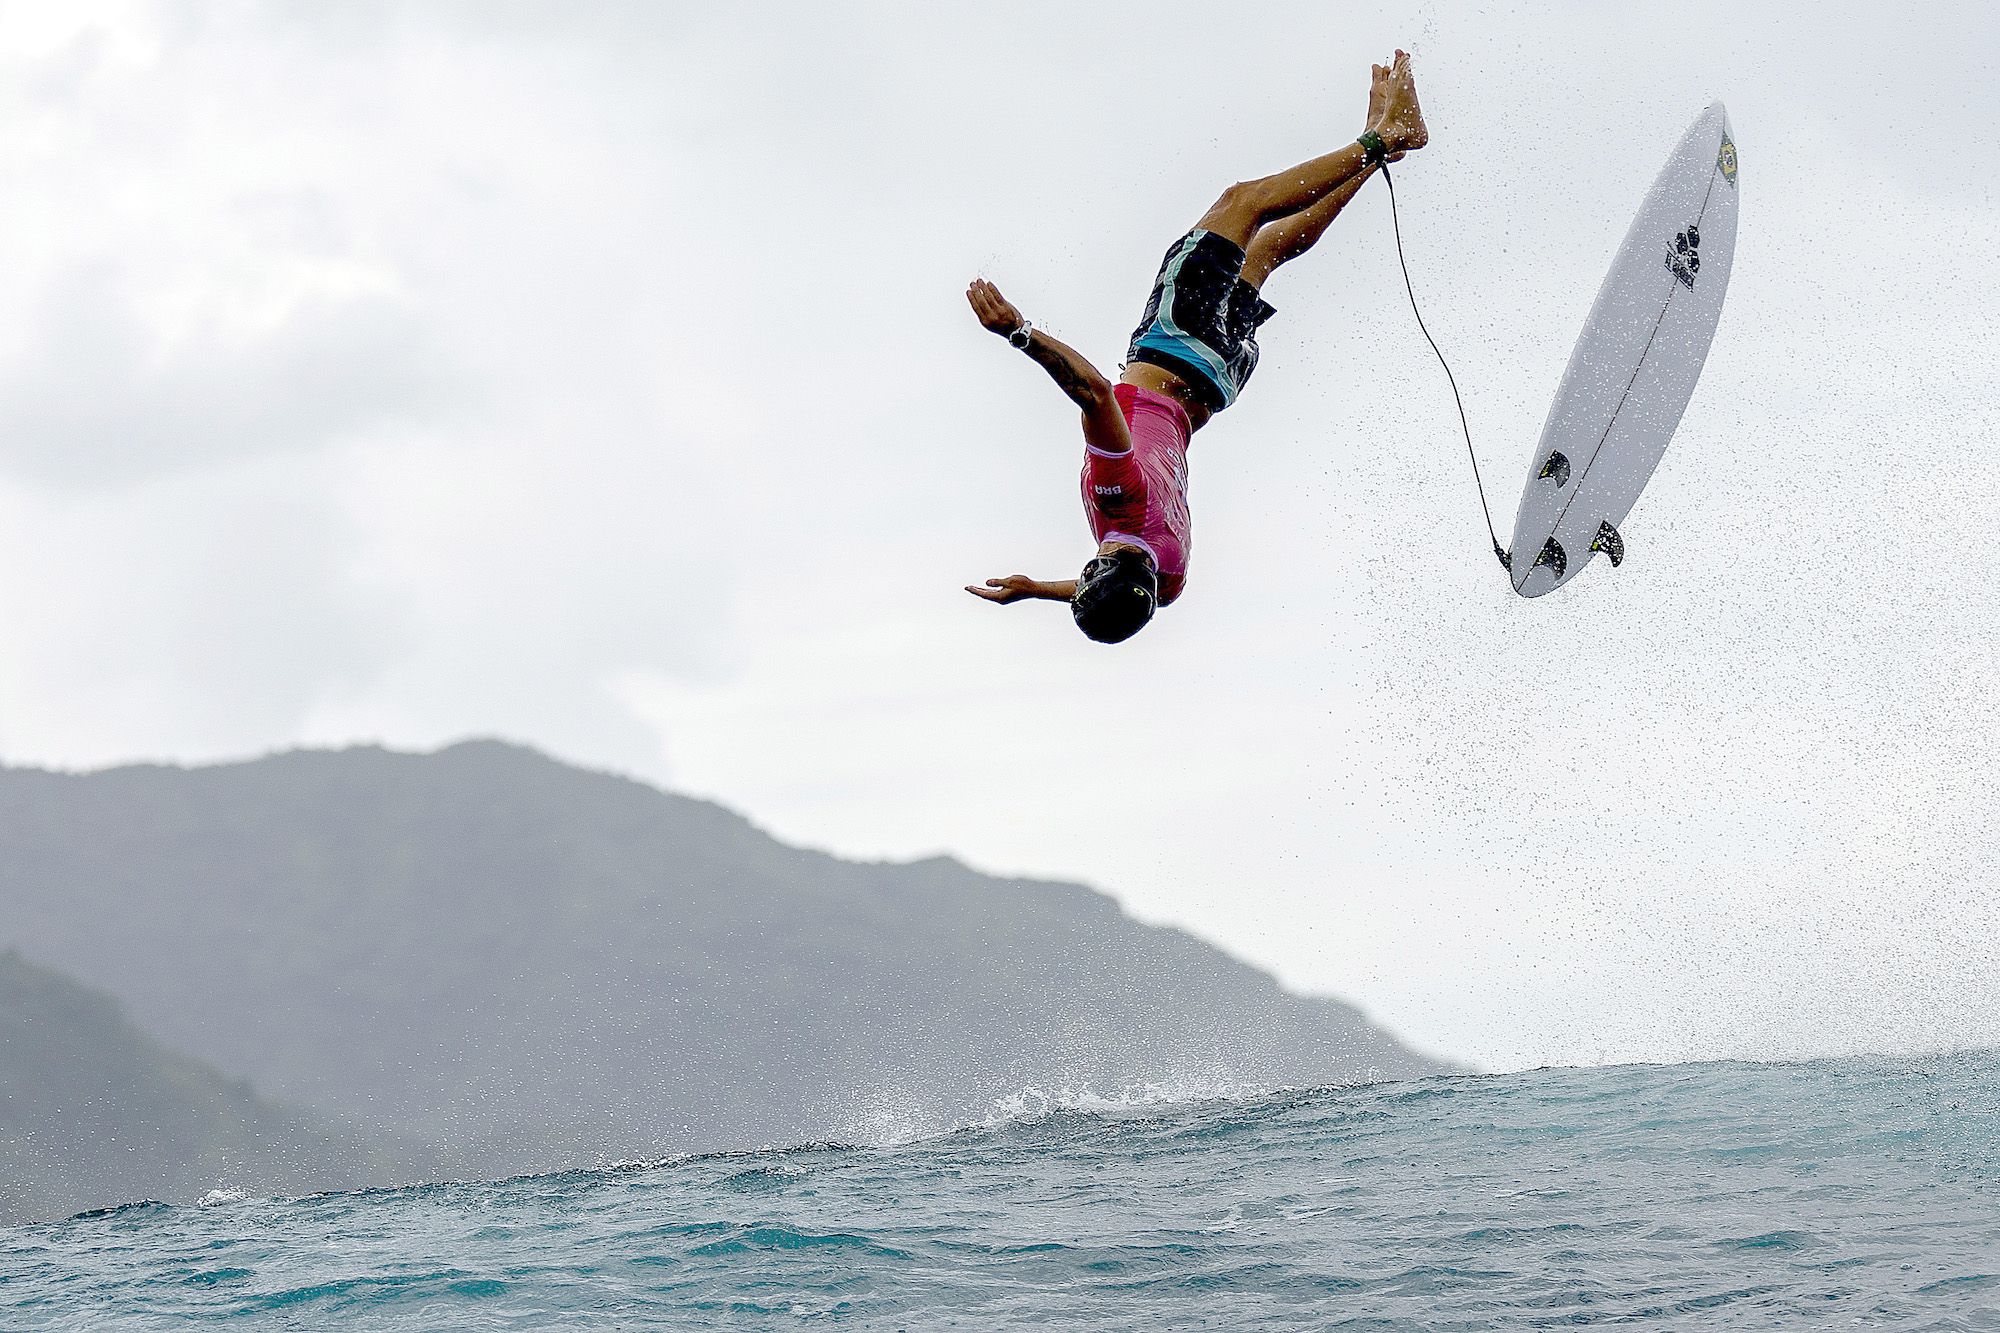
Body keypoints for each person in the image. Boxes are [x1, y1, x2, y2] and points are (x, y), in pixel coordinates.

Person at [965, 51, 1429, 644]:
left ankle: (1382, 152)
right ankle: (1384, 137)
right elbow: (1094, 393)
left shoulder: (1169, 577)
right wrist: (1017, 331)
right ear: (1099, 569)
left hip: (1218, 378)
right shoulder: (1116, 498)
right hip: (1176, 347)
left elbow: (1120, 588)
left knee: (1268, 252)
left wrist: (1036, 589)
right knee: (1243, 204)